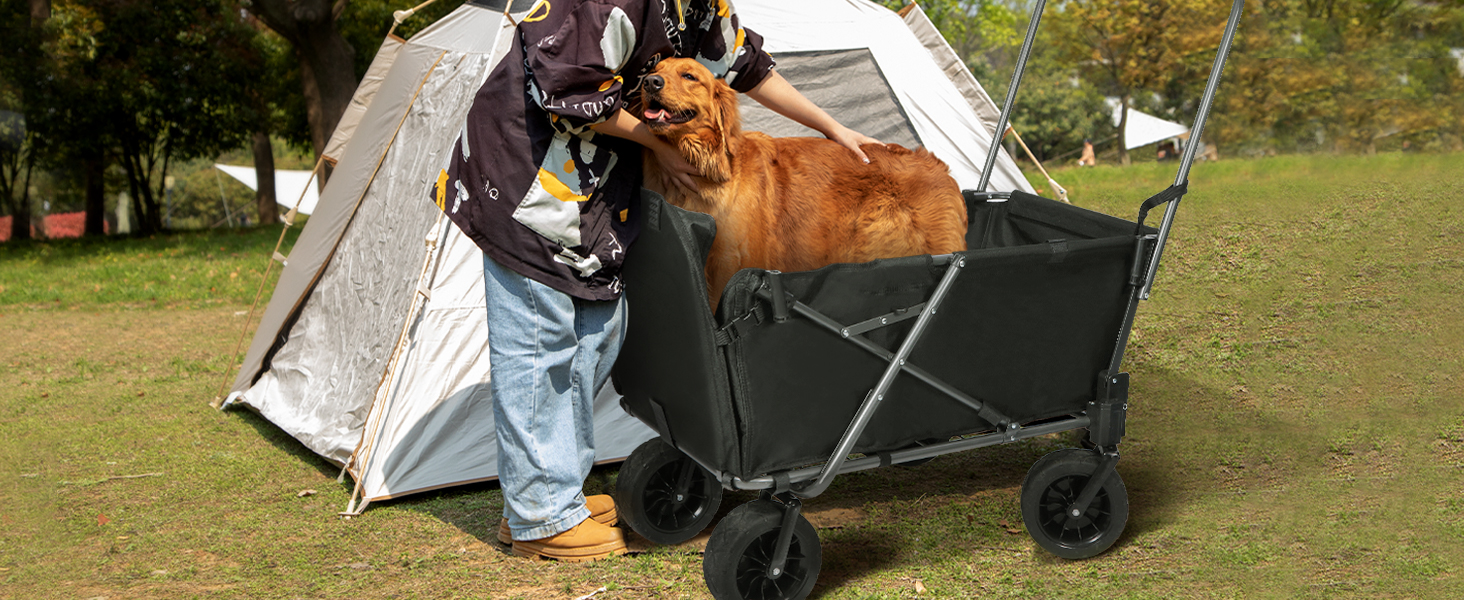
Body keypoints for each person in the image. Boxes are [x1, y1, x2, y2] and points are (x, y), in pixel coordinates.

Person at [429, 0, 878, 561]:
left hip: (596, 200)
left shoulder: (699, 4)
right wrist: (656, 142)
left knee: (594, 341)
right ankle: (541, 517)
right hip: (528, 182)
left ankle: (550, 493)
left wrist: (832, 126)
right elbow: (566, 87)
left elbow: (746, 64)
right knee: (539, 347)